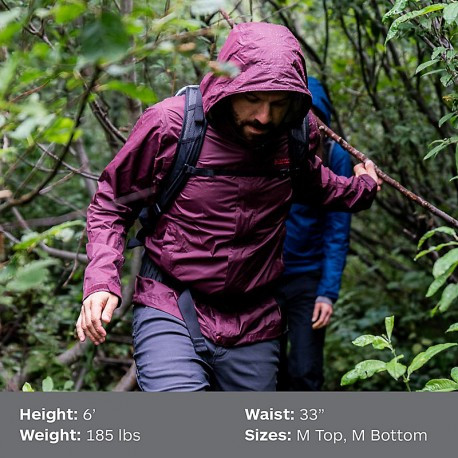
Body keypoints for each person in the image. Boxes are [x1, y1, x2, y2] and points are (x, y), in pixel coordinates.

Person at [76, 22, 380, 392]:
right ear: (229, 86)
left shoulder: (296, 135)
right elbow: (111, 204)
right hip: (172, 302)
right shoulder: (171, 125)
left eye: (278, 104)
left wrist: (364, 188)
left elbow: (319, 187)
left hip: (255, 319)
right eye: (253, 99)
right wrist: (101, 281)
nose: (264, 117)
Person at [277, 77, 352, 391]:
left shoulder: (335, 156)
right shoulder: (273, 148)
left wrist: (327, 292)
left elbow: (337, 230)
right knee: (267, 369)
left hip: (307, 279)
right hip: (263, 278)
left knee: (305, 369)